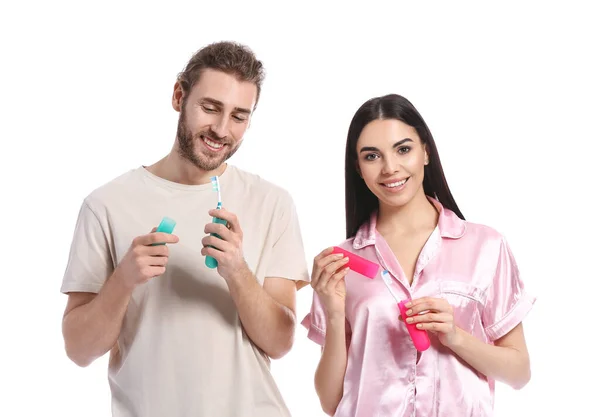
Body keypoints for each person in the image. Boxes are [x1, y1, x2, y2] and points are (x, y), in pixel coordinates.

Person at [60, 41, 309, 417]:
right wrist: (124, 279)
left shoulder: (272, 202)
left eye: (239, 116)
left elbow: (280, 342)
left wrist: (238, 272)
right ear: (179, 96)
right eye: (210, 108)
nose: (222, 130)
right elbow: (79, 350)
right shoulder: (106, 204)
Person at [302, 93, 536, 416]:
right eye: (372, 156)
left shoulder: (486, 247)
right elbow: (331, 401)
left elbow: (519, 372)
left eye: (403, 149)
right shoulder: (341, 264)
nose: (390, 168)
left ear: (425, 151)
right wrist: (331, 311)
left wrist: (455, 337)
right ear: (358, 167)